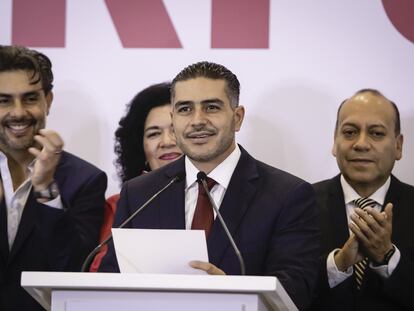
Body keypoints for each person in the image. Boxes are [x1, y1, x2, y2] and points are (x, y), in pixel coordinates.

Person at [100, 61, 319, 310]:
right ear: (174, 119)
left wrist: (234, 298)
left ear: (237, 118)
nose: (197, 121)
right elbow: (110, 281)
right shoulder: (139, 194)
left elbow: (296, 292)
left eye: (211, 107)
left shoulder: (288, 196)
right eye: (184, 109)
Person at [0, 45, 107, 311]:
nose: (18, 112)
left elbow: (74, 269)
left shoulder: (86, 180)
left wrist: (46, 187)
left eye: (30, 98)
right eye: (3, 100)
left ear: (48, 100)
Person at [309, 89, 414, 310]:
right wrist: (338, 265)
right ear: (334, 142)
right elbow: (287, 290)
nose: (361, 143)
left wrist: (387, 257)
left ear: (398, 145)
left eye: (376, 133)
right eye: (349, 132)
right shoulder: (301, 204)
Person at [89, 82, 182, 271]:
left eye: (175, 130)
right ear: (141, 149)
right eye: (154, 133)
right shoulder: (121, 205)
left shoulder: (212, 200)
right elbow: (100, 274)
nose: (167, 141)